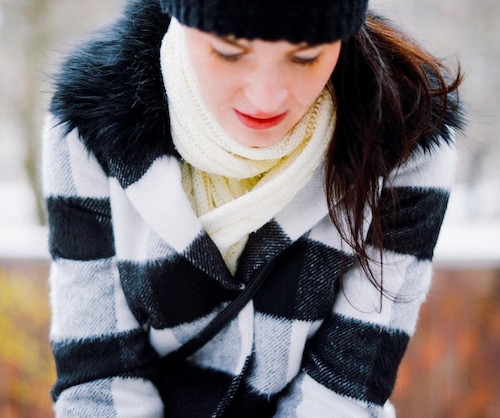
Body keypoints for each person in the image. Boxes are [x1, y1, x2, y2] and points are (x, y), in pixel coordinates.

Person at [42, 0, 464, 416]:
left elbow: (346, 392)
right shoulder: (89, 129)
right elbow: (99, 381)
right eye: (228, 51)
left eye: (306, 56)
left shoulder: (406, 141)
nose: (266, 98)